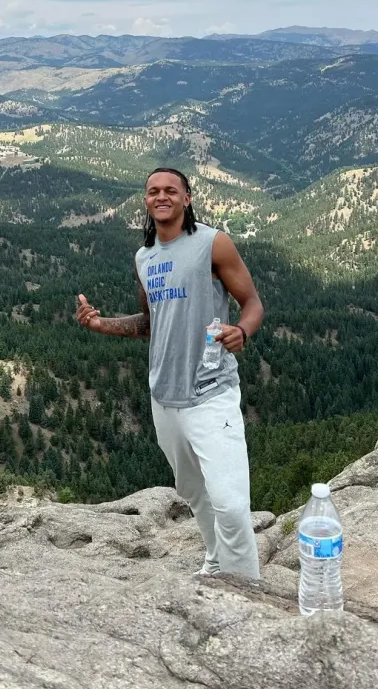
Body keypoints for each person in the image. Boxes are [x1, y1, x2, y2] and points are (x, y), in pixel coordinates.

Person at [76, 167, 265, 578]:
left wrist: (242, 331)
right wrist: (100, 324)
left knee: (231, 504)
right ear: (146, 201)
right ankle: (215, 561)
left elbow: (252, 302)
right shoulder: (144, 258)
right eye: (153, 191)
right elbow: (151, 322)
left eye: (170, 191)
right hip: (163, 395)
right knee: (194, 491)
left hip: (211, 390)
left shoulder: (213, 243)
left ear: (187, 198)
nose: (161, 197)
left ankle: (247, 588)